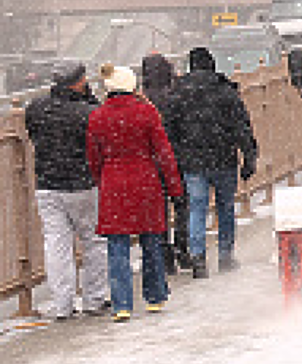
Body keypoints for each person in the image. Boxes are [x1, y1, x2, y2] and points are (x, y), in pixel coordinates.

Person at [87, 63, 183, 320]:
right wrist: (174, 185)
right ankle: (154, 296)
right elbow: (163, 151)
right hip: (145, 180)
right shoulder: (147, 113)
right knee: (151, 240)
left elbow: (93, 158)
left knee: (117, 245)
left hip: (113, 183)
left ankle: (122, 304)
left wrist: (102, 179)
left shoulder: (97, 117)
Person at [23, 62, 111, 320]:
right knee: (94, 242)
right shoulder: (87, 112)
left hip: (48, 184)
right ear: (80, 81)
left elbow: (33, 134)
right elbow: (100, 134)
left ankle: (62, 304)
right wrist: (90, 97)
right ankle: (94, 298)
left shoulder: (37, 108)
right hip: (83, 183)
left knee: (57, 245)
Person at [165, 47, 259, 276]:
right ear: (212, 65)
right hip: (224, 159)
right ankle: (225, 256)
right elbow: (242, 126)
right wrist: (249, 156)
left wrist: (177, 159)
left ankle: (198, 257)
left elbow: (170, 131)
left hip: (193, 163)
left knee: (197, 208)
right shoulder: (226, 91)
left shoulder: (179, 94)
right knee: (226, 208)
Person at [140, 51, 187, 272]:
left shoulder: (142, 100)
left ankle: (165, 254)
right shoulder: (176, 95)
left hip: (150, 161)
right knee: (181, 205)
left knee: (158, 210)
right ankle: (183, 248)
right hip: (177, 157)